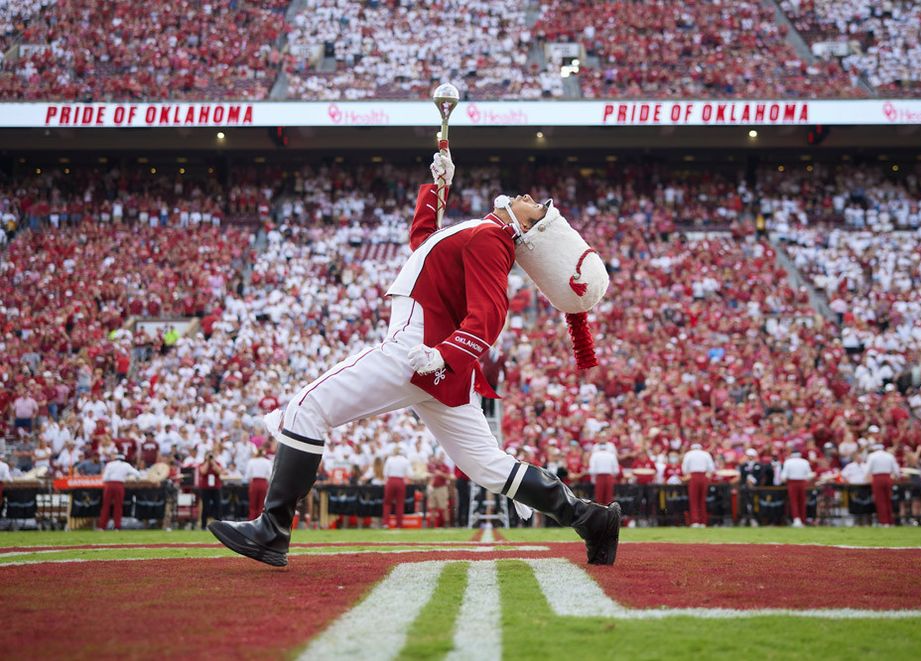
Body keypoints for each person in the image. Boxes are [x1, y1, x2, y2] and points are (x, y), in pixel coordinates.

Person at [209, 150, 621, 566]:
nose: (532, 196)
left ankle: (272, 530)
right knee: (488, 467)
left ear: (529, 225)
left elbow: (490, 315)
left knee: (304, 408)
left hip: (416, 352)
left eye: (539, 205)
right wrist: (437, 188)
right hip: (436, 368)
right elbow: (422, 242)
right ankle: (592, 520)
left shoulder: (491, 237)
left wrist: (442, 356)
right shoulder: (484, 232)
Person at [98, 454, 140, 530]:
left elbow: (105, 478)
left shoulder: (110, 464)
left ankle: (102, 526)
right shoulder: (126, 465)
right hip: (119, 485)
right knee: (118, 506)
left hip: (109, 485)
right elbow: (137, 474)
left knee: (106, 506)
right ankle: (117, 526)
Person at [866, 443, 900, 526]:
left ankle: (884, 521)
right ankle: (890, 521)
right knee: (888, 500)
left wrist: (867, 477)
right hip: (888, 478)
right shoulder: (889, 456)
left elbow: (868, 469)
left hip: (877, 478)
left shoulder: (872, 456)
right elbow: (896, 469)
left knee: (880, 501)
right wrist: (896, 477)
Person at [682, 443, 715, 527]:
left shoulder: (689, 454)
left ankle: (695, 521)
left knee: (694, 500)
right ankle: (703, 521)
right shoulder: (705, 454)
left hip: (693, 476)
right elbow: (711, 468)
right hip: (703, 476)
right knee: (702, 500)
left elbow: (685, 469)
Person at [780, 450, 813, 527]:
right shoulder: (804, 462)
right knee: (802, 501)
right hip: (802, 482)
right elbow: (809, 475)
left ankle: (796, 519)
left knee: (794, 501)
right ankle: (803, 520)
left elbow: (784, 476)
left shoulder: (788, 462)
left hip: (792, 483)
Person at [382, 446, 411, 529]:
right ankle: (399, 524)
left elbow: (385, 473)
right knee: (400, 504)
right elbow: (410, 473)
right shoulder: (405, 460)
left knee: (387, 503)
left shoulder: (390, 459)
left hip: (391, 481)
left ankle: (385, 523)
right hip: (400, 481)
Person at [244, 448, 273, 519]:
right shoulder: (267, 462)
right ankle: (260, 522)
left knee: (253, 506)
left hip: (254, 483)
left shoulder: (251, 461)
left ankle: (251, 521)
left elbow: (247, 476)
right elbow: (270, 475)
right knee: (261, 506)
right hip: (263, 484)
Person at [589, 440, 619, 505]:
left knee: (599, 496)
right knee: (608, 496)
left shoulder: (595, 455)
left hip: (599, 477)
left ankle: (599, 512)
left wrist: (593, 478)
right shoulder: (612, 455)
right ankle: (608, 512)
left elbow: (592, 469)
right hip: (609, 476)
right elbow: (616, 470)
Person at [198, 453, 223, 530]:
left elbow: (219, 471)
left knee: (217, 506)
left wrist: (213, 462)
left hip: (216, 488)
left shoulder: (217, 463)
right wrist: (207, 462)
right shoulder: (203, 464)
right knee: (205, 507)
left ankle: (218, 525)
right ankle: (203, 525)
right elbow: (203, 472)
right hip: (205, 488)